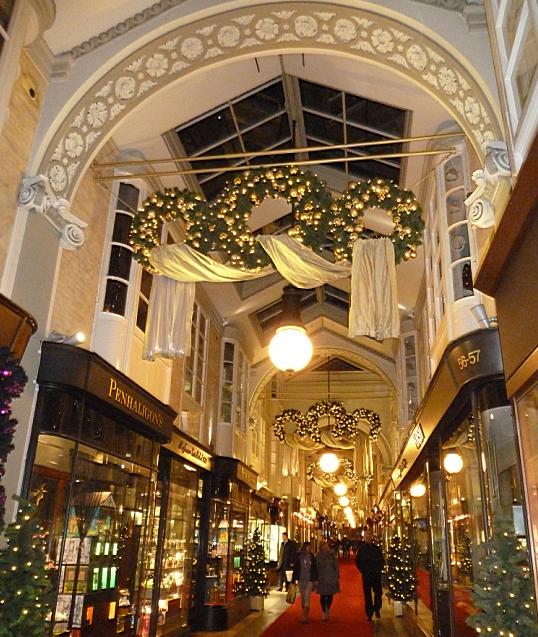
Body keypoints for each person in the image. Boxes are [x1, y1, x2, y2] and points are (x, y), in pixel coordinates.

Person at [355, 529, 384, 622]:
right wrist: (363, 570)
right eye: (366, 537)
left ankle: (377, 608)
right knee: (367, 595)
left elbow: (381, 560)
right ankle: (369, 613)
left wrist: (379, 568)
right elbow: (358, 562)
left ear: (371, 537)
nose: (368, 538)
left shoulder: (376, 549)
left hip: (376, 574)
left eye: (369, 536)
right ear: (364, 538)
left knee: (378, 592)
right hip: (367, 575)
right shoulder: (361, 550)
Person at [292, 541, 318, 623]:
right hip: (301, 579)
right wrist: (293, 579)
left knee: (307, 596)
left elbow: (315, 569)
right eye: (308, 547)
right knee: (303, 597)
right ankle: (304, 612)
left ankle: (305, 616)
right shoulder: (299, 557)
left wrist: (315, 580)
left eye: (310, 548)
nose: (309, 549)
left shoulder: (312, 557)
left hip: (309, 580)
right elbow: (296, 568)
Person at [316, 541, 340, 621]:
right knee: (323, 595)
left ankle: (327, 608)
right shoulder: (318, 556)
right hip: (322, 578)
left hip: (331, 577)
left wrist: (337, 576)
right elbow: (316, 567)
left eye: (326, 546)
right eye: (324, 546)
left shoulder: (332, 555)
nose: (325, 548)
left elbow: (336, 566)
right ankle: (324, 610)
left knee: (330, 595)